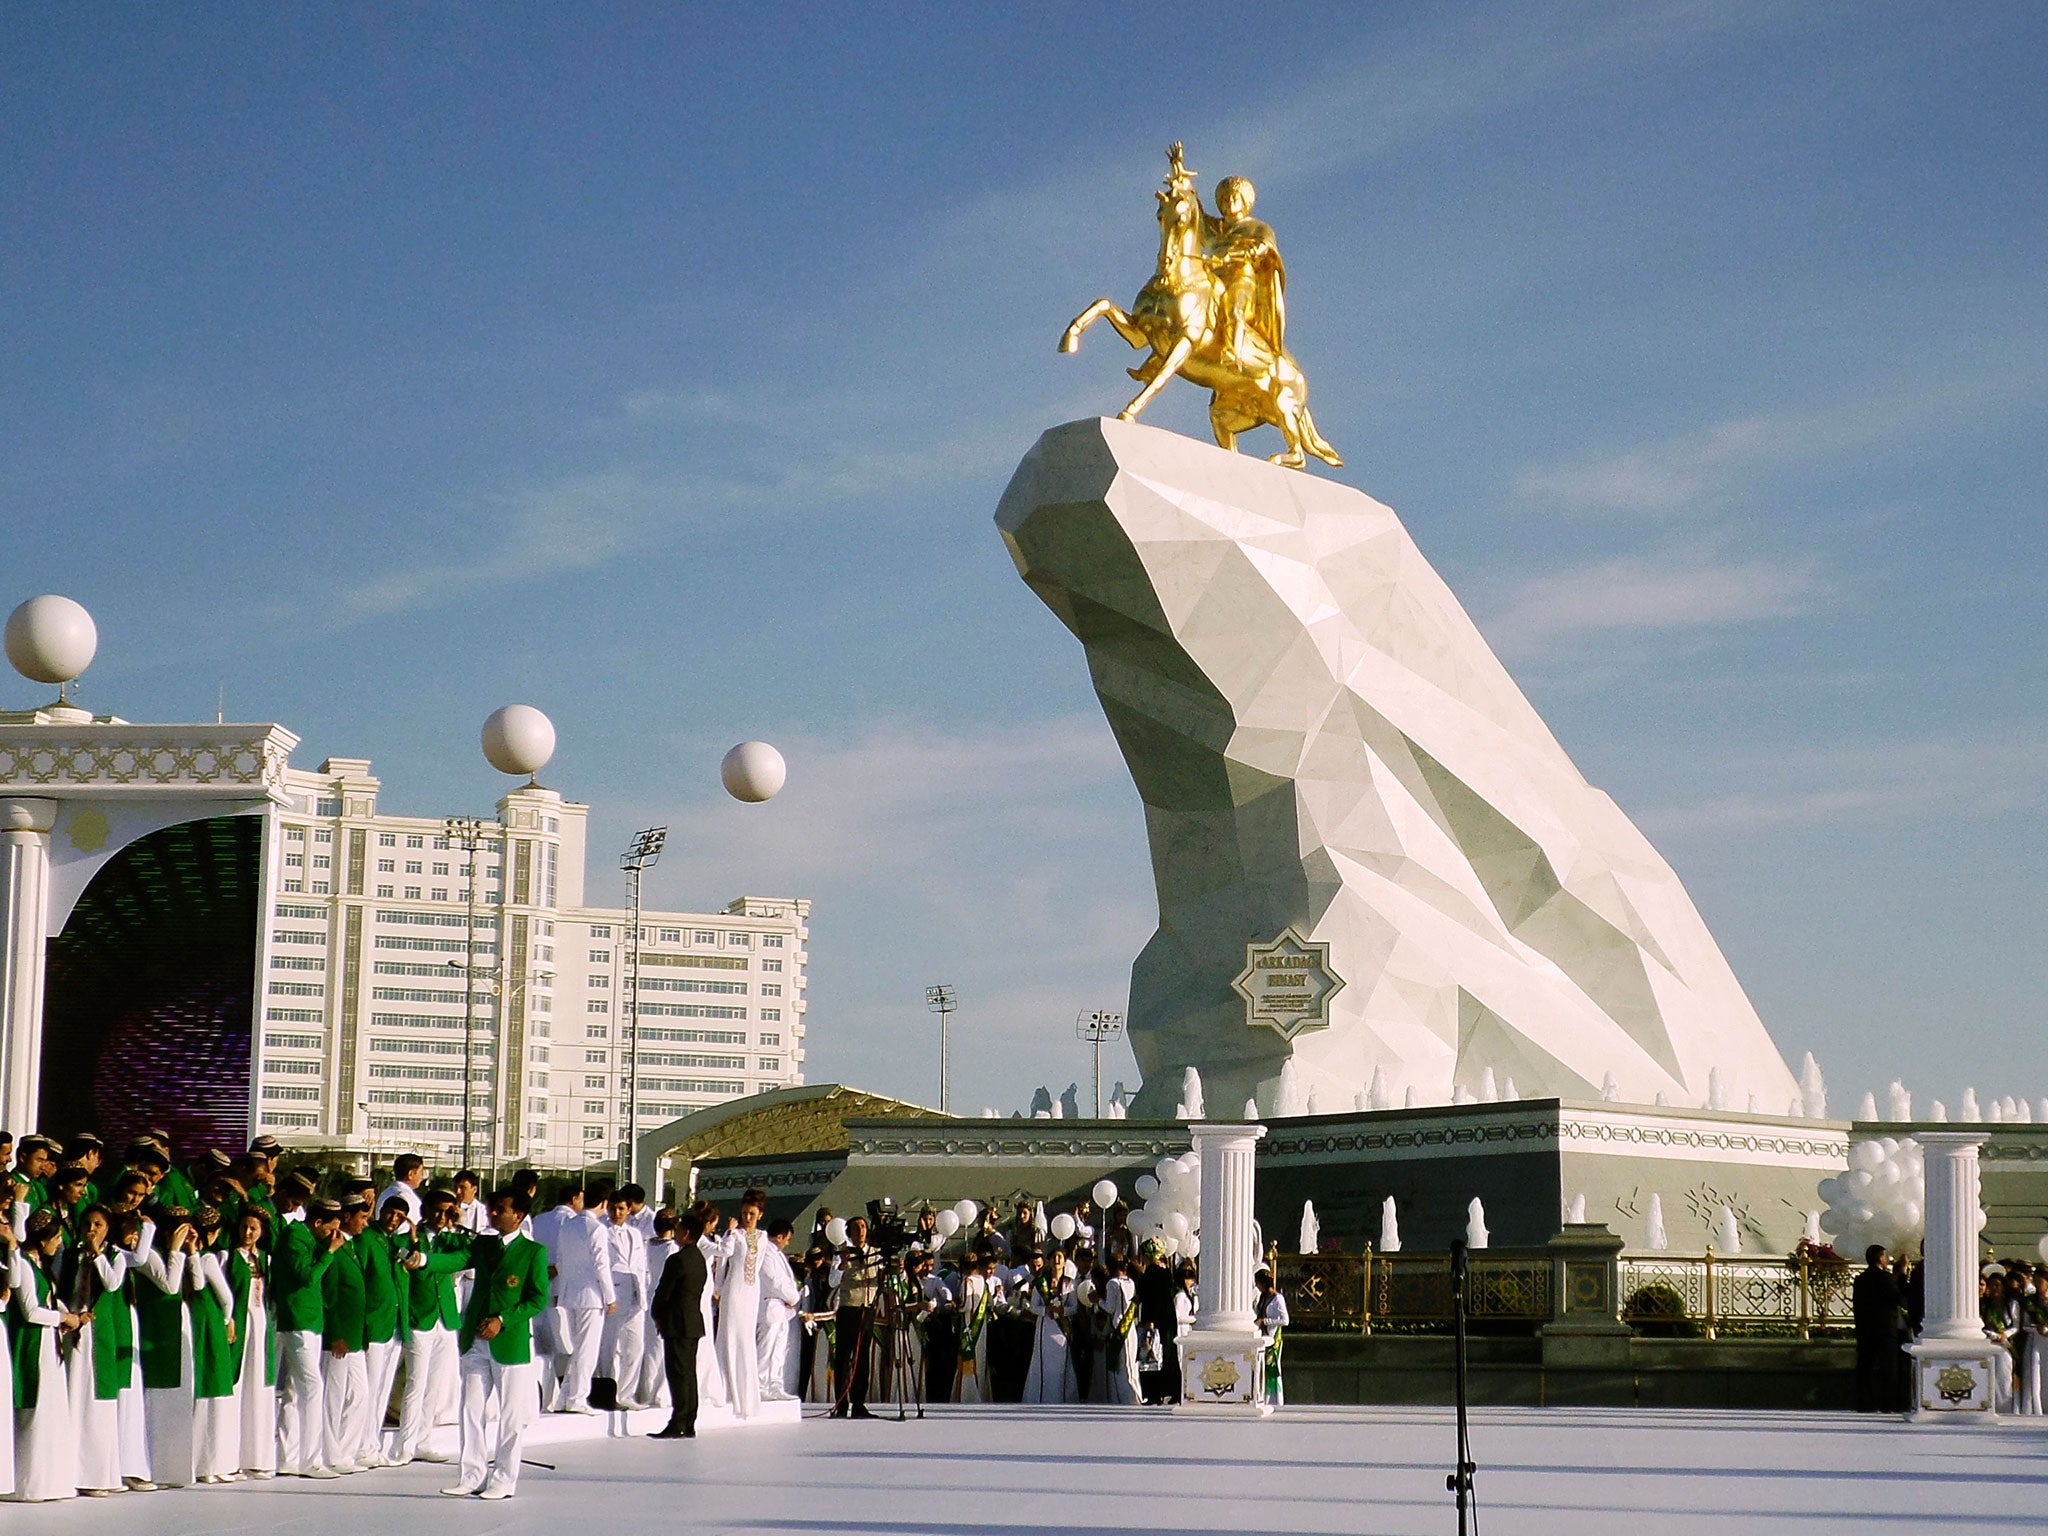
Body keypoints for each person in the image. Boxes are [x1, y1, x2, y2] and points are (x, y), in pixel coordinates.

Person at [444, 1189, 549, 1501]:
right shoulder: (484, 1244)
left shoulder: (533, 1251)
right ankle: (471, 1475)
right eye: (490, 1209)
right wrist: (423, 1259)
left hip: (510, 1342)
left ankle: (503, 1480)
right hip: (476, 1340)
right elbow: (457, 1259)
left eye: (498, 1210)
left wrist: (502, 1319)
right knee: (470, 1408)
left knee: (511, 1415)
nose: (491, 1215)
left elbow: (537, 1299)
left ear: (517, 1215)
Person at [7, 1207, 81, 1501]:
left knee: (50, 1413)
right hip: (33, 1345)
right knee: (34, 1412)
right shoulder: (24, 1265)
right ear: (43, 1238)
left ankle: (51, 1480)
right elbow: (30, 1310)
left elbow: (48, 1301)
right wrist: (63, 1319)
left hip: (48, 1346)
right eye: (57, 1237)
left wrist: (68, 1315)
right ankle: (29, 1484)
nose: (59, 1243)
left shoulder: (39, 1266)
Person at [394, 1193, 471, 1464]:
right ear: (425, 1209)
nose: (441, 1216)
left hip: (446, 1318)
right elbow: (417, 1267)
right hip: (421, 1317)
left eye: (448, 1212)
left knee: (435, 1385)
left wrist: (457, 1223)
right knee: (416, 1382)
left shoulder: (451, 1239)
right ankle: (405, 1446)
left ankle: (423, 1441)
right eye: (437, 1211)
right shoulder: (408, 1239)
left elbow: (467, 1255)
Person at [274, 1197, 344, 1479]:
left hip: (310, 1320)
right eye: (330, 1229)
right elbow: (306, 1277)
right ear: (317, 1222)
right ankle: (310, 1460)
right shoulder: (295, 1238)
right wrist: (328, 1252)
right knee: (312, 1388)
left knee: (294, 1389)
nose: (333, 1236)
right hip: (298, 1321)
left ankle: (287, 1457)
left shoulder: (306, 1238)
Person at [534, 1186, 614, 1413]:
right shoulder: (596, 1228)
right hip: (591, 1295)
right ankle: (577, 1397)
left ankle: (566, 1396)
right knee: (587, 1349)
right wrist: (610, 1296)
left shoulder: (568, 1225)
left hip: (570, 1293)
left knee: (578, 1348)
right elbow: (601, 1265)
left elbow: (561, 1258)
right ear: (604, 1204)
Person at [134, 1212, 197, 1487]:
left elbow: (196, 1284)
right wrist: (174, 1250)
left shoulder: (177, 1253)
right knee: (157, 1398)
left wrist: (190, 1251)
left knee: (178, 1396)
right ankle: (155, 1467)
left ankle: (176, 1468)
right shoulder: (150, 1254)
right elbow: (170, 1285)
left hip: (177, 1325)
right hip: (155, 1327)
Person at [320, 1196, 372, 1474]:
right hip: (339, 1338)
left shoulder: (350, 1248)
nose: (365, 1223)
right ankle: (331, 1453)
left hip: (354, 1337)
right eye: (361, 1218)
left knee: (360, 1394)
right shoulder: (334, 1251)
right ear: (347, 1217)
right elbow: (329, 1296)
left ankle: (346, 1451)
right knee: (334, 1396)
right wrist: (336, 1333)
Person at [648, 1209, 708, 1439]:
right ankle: (689, 1420)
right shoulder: (698, 1259)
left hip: (676, 1322)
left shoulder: (677, 1260)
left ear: (687, 1233)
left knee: (677, 1373)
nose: (676, 1232)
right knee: (689, 1374)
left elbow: (664, 1292)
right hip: (692, 1321)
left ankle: (678, 1421)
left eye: (680, 1229)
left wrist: (656, 1313)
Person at [226, 1209, 277, 1479]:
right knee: (239, 1385)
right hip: (240, 1321)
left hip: (260, 1322)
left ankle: (258, 1456)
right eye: (244, 1227)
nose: (248, 1233)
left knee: (259, 1387)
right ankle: (233, 1456)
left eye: (253, 1228)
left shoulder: (265, 1259)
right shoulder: (229, 1257)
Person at [713, 1189, 771, 1420]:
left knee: (746, 1339)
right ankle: (725, 1391)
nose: (748, 1217)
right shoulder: (733, 1235)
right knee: (729, 1335)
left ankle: (746, 1394)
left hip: (751, 1289)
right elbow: (722, 1259)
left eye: (752, 1213)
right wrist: (717, 1287)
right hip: (734, 1288)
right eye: (745, 1213)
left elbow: (758, 1266)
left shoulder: (764, 1237)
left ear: (760, 1215)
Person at [596, 1191, 648, 1409]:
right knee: (610, 1346)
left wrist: (643, 1290)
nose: (616, 1213)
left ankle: (627, 1394)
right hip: (613, 1295)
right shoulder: (601, 1231)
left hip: (636, 1296)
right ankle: (611, 1393)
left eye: (621, 1209)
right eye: (613, 1208)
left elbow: (641, 1263)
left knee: (635, 1347)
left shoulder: (635, 1234)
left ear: (628, 1210)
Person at [831, 1215, 881, 1418]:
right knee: (844, 1359)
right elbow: (833, 1281)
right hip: (848, 1309)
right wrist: (842, 1265)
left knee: (862, 1358)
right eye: (856, 1227)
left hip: (867, 1309)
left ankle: (859, 1403)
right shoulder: (842, 1253)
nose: (860, 1230)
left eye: (863, 1226)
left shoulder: (876, 1253)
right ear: (849, 1233)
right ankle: (841, 1404)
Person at [1852, 1243, 1905, 1413]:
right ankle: (1888, 1403)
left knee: (1865, 1366)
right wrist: (1901, 1277)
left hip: (1865, 1328)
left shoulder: (1860, 1280)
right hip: (1885, 1330)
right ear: (1881, 1258)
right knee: (1888, 1367)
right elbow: (1899, 1299)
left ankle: (1864, 1402)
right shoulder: (1885, 1278)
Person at [634, 1211, 678, 1412]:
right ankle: (657, 1393)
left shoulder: (646, 1245)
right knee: (660, 1348)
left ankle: (645, 1391)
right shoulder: (672, 1249)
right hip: (665, 1298)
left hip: (647, 1296)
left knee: (649, 1347)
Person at [757, 1217, 801, 1401]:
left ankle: (775, 1384)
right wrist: (792, 1296)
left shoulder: (776, 1253)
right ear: (780, 1236)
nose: (787, 1243)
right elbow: (773, 1280)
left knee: (778, 1350)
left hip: (781, 1308)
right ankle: (760, 1385)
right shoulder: (766, 1252)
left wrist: (792, 1297)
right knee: (766, 1349)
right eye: (787, 1239)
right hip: (771, 1304)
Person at [1023, 1248, 1073, 1403]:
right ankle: (1042, 1397)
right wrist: (1047, 1310)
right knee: (1044, 1364)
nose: (1057, 1260)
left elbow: (1075, 1307)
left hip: (1061, 1331)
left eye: (1060, 1257)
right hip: (1045, 1329)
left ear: (1065, 1262)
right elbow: (1033, 1307)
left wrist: (1062, 1310)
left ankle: (1061, 1398)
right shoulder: (1041, 1282)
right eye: (1054, 1257)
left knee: (1059, 1367)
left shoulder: (1070, 1283)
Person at [952, 1250, 996, 1404]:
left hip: (970, 1324)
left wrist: (955, 1306)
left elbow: (966, 1305)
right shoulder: (983, 1281)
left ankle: (968, 1394)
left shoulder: (968, 1281)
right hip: (982, 1324)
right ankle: (982, 1392)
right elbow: (991, 1303)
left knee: (968, 1357)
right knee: (981, 1358)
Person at [1254, 1267, 1289, 1407]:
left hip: (1273, 1338)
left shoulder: (1277, 1299)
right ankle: (1263, 1397)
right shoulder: (1263, 1297)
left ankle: (1275, 1400)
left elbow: (1285, 1320)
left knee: (1273, 1370)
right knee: (1263, 1369)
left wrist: (1265, 1321)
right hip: (1262, 1337)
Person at [376, 1154, 426, 1227]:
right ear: (410, 1174)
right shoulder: (404, 1195)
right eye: (421, 1173)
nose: (422, 1177)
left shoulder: (385, 1193)